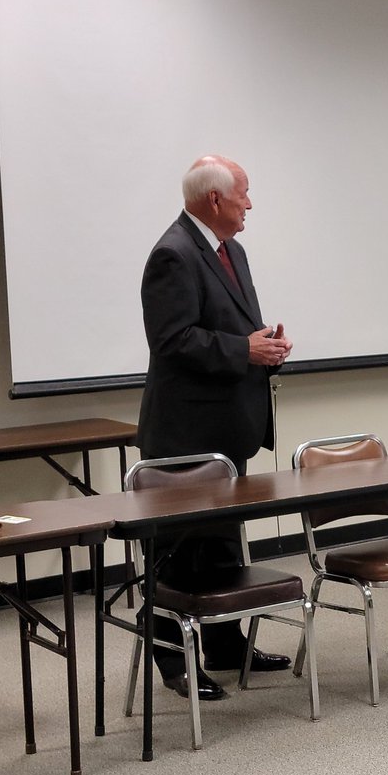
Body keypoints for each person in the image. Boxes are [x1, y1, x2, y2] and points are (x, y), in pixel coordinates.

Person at [136, 155, 295, 701]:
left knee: (224, 547)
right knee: (177, 554)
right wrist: (242, 350)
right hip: (184, 434)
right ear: (214, 199)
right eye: (243, 193)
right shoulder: (173, 254)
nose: (250, 204)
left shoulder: (232, 251)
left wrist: (265, 348)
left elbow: (231, 330)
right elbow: (172, 341)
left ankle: (225, 644)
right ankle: (173, 662)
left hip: (226, 429)